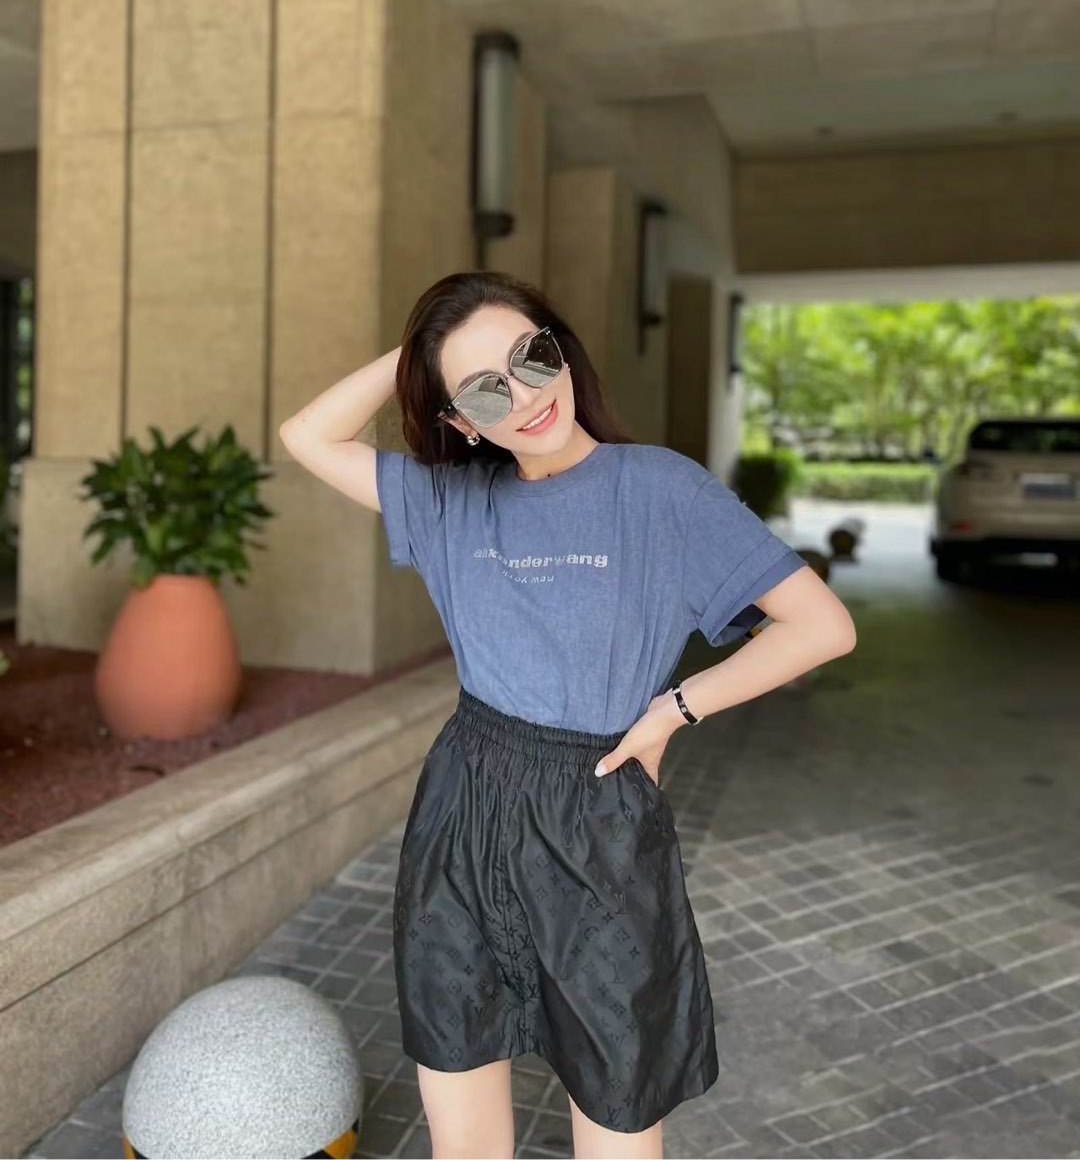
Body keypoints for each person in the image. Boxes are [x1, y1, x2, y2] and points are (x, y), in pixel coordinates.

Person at [279, 269, 857, 1160]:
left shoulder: (662, 491)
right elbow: (306, 435)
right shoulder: (449, 499)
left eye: (531, 357)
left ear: (562, 352)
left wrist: (671, 710)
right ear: (461, 421)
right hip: (465, 807)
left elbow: (822, 626)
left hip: (599, 814)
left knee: (618, 1105)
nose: (524, 395)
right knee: (461, 1101)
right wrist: (424, 353)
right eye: (485, 391)